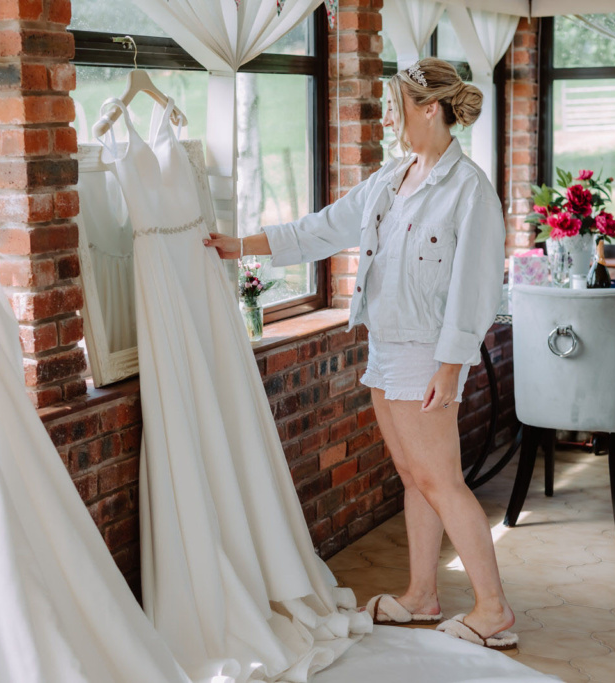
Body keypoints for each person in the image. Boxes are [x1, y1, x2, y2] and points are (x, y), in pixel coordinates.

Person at [204, 58, 516, 650]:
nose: (390, 114)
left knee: (442, 480)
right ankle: (422, 594)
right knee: (412, 475)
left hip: (427, 355)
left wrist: (451, 366)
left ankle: (493, 609)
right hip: (386, 346)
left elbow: (477, 287)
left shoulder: (470, 189)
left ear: (431, 109)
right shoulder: (392, 178)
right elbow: (322, 229)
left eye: (398, 104)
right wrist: (238, 246)